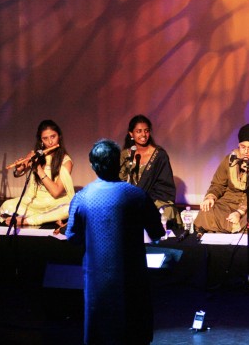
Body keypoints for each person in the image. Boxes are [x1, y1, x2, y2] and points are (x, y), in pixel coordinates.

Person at [66, 139, 164, 345]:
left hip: (97, 279)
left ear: (93, 166)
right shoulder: (136, 195)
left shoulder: (82, 197)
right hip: (131, 276)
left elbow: (72, 237)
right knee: (133, 329)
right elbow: (156, 232)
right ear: (118, 163)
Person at [194, 123, 249, 235]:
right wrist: (211, 197)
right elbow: (218, 184)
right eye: (243, 147)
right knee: (207, 210)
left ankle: (225, 228)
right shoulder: (230, 160)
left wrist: (239, 212)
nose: (246, 151)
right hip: (228, 202)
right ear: (238, 145)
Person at [0, 120, 74, 227]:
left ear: (59, 137)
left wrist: (38, 168)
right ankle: (49, 218)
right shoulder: (35, 155)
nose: (50, 142)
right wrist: (19, 169)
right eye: (45, 138)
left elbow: (56, 192)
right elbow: (19, 173)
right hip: (34, 202)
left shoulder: (66, 161)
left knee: (69, 208)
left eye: (53, 136)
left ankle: (27, 221)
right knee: (6, 206)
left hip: (55, 202)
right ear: (41, 140)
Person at [119, 114, 180, 226]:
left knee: (166, 212)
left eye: (146, 131)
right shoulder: (125, 155)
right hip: (130, 201)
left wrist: (145, 198)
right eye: (139, 131)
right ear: (131, 134)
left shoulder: (159, 155)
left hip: (155, 201)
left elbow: (166, 187)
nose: (143, 134)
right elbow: (119, 181)